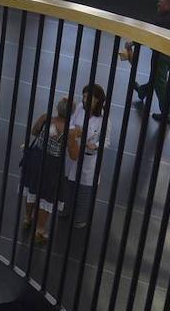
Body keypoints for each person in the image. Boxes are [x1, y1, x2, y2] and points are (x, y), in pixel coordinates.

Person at [123, 0, 170, 124]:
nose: (158, 5)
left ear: (167, 5)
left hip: (162, 55)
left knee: (160, 83)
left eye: (160, 3)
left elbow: (149, 36)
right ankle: (142, 91)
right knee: (157, 78)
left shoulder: (162, 21)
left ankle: (167, 114)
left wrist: (132, 43)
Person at [22, 96, 72, 246]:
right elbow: (74, 155)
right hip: (53, 164)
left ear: (57, 108)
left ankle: (27, 218)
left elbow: (34, 131)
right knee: (47, 197)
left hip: (37, 157)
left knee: (32, 188)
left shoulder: (45, 118)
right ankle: (40, 230)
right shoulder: (68, 131)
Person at [63, 84, 107, 229]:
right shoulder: (80, 108)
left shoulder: (103, 118)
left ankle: (81, 218)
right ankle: (66, 210)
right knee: (69, 183)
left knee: (84, 190)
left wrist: (95, 146)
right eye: (84, 96)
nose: (84, 99)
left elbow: (105, 140)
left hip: (89, 158)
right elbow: (69, 122)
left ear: (97, 100)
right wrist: (75, 131)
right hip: (74, 151)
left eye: (88, 97)